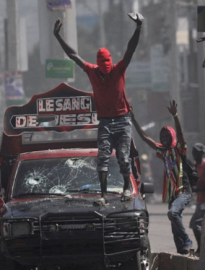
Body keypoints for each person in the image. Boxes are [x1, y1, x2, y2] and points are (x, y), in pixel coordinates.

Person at [53, 13, 143, 205]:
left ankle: (127, 188)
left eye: (107, 68)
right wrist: (58, 36)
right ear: (98, 66)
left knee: (123, 158)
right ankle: (103, 196)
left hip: (122, 120)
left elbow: (130, 49)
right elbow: (73, 55)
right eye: (103, 69)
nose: (105, 72)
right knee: (102, 158)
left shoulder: (118, 70)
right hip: (104, 121)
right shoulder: (92, 71)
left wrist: (138, 28)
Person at [130, 100, 193, 255]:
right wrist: (133, 120)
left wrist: (175, 116)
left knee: (172, 214)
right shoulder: (163, 152)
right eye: (162, 136)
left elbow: (180, 134)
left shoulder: (179, 149)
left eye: (167, 136)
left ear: (171, 137)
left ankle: (187, 239)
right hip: (172, 195)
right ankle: (182, 250)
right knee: (173, 223)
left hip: (183, 191)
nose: (164, 138)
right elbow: (145, 137)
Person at [189, 143, 205, 256]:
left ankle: (202, 248)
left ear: (201, 153)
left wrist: (198, 190)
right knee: (199, 225)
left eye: (196, 152)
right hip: (200, 200)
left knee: (195, 224)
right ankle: (203, 248)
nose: (194, 154)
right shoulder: (195, 166)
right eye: (193, 152)